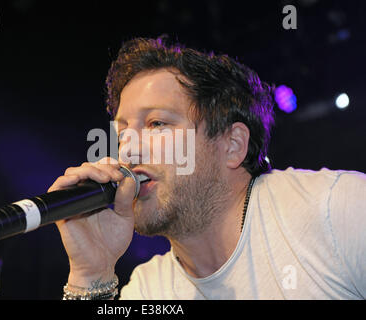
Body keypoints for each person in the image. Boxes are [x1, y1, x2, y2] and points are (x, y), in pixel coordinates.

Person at [48, 37, 366, 300]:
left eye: (157, 123)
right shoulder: (149, 289)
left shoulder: (338, 210)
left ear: (232, 145)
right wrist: (91, 275)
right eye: (123, 133)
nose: (129, 149)